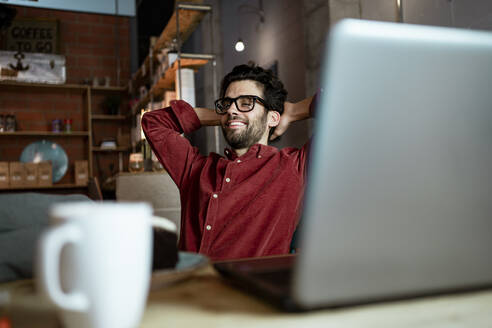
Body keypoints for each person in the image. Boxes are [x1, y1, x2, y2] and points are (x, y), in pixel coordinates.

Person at [142, 63, 314, 261]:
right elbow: (153, 123)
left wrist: (293, 111)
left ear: (272, 118)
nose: (232, 109)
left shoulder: (293, 168)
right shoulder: (195, 169)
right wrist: (225, 116)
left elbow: (350, 100)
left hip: (246, 290)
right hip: (186, 287)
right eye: (227, 103)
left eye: (247, 102)